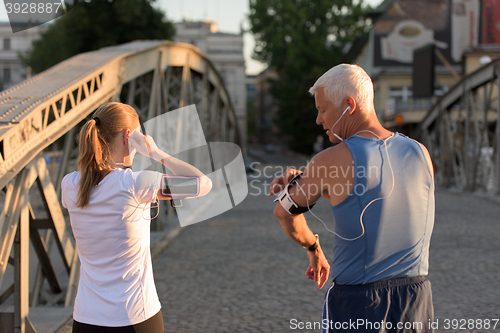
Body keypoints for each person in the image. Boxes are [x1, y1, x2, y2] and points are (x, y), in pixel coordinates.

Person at [270, 64, 435, 332]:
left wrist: (314, 248)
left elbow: (284, 212)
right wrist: (315, 180)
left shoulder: (329, 160)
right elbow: (381, 188)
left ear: (349, 105)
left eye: (322, 109)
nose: (318, 120)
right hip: (416, 299)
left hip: (360, 303)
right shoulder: (420, 152)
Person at [61, 102, 212, 333]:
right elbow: (203, 184)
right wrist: (156, 153)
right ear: (128, 136)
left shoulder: (70, 184)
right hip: (134, 318)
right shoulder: (135, 184)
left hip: (86, 319)